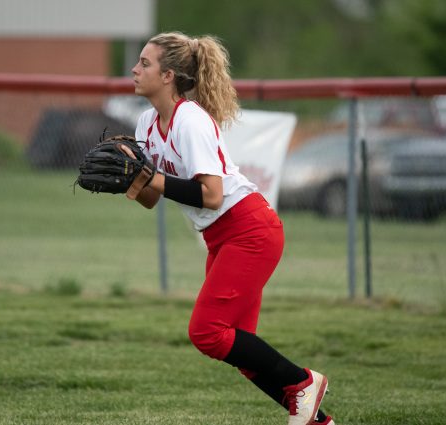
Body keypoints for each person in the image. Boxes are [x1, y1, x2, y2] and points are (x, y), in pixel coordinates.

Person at [127, 31, 335, 425]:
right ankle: (316, 420)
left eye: (145, 63)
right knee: (240, 347)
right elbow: (151, 198)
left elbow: (211, 195)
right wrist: (128, 181)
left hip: (249, 229)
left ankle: (303, 381)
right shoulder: (146, 123)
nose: (135, 69)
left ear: (168, 75)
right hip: (222, 237)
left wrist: (149, 178)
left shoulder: (190, 121)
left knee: (207, 332)